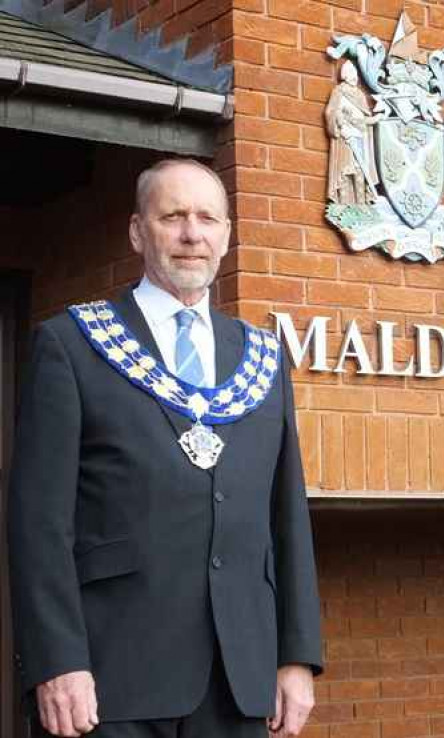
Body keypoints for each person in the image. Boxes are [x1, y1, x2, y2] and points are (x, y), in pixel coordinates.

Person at [7, 159, 323, 737]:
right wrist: (57, 660)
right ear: (137, 231)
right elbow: (39, 525)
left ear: (226, 235)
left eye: (206, 218)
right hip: (110, 679)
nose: (190, 234)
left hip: (239, 680)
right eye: (172, 216)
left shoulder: (263, 358)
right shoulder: (71, 345)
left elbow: (287, 518)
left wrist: (296, 657)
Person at [324, 60, 380, 205]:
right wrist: (341, 123)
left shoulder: (360, 95)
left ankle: (361, 204)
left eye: (355, 74)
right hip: (346, 137)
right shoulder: (339, 91)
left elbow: (364, 118)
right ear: (345, 76)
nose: (354, 77)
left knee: (360, 170)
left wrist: (375, 119)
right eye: (351, 74)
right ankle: (345, 204)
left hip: (360, 136)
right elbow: (331, 111)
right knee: (345, 170)